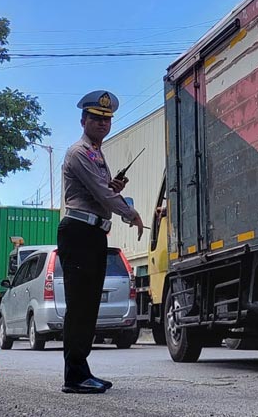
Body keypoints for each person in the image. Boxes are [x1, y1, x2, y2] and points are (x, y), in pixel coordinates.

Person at [58, 90, 145, 394]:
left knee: (89, 306)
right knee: (80, 305)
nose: (101, 124)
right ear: (83, 120)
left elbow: (102, 190)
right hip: (79, 232)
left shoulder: (96, 154)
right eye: (95, 119)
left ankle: (82, 371)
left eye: (106, 120)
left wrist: (113, 186)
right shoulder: (79, 152)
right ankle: (74, 376)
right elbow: (101, 194)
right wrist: (130, 212)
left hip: (93, 233)